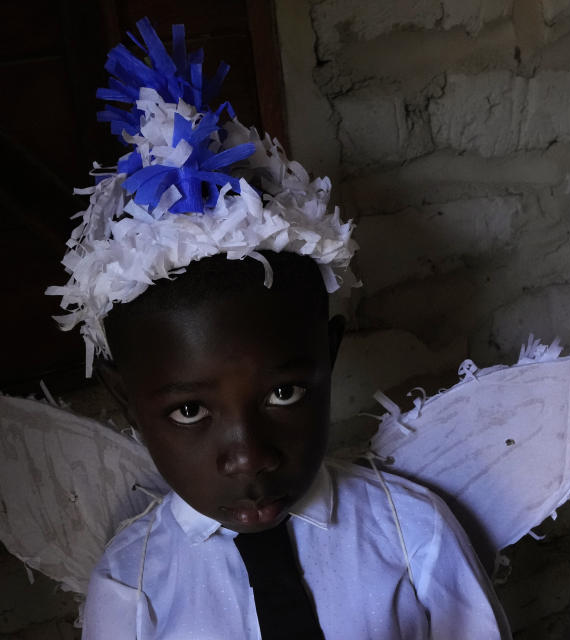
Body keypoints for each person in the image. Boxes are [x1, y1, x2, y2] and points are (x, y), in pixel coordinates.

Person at [46, 17, 511, 639]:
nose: (249, 456)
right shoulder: (132, 586)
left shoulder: (412, 536)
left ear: (329, 356)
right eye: (189, 410)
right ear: (125, 400)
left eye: (284, 393)